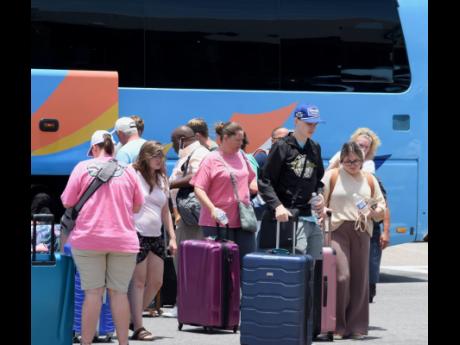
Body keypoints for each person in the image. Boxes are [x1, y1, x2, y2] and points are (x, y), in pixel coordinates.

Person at [60, 130, 144, 345]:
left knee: (93, 294)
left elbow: (68, 201)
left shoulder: (81, 168)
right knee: (118, 294)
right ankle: (123, 343)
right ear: (112, 148)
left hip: (88, 239)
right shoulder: (128, 171)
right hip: (123, 240)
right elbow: (137, 206)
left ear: (95, 148)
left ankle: (86, 343)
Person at [321, 142, 386, 340]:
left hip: (362, 229)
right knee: (342, 276)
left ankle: (357, 326)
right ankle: (338, 325)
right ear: (341, 160)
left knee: (360, 279)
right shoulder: (331, 176)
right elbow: (318, 201)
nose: (352, 164)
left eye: (356, 160)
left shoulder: (370, 179)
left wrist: (374, 211)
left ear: (362, 160)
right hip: (337, 229)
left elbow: (381, 207)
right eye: (347, 161)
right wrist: (323, 211)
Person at [257, 104, 326, 260]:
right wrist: (277, 206)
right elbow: (264, 181)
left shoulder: (315, 147)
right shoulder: (282, 146)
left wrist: (320, 196)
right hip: (288, 217)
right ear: (296, 121)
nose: (313, 127)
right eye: (309, 123)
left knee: (315, 266)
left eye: (315, 124)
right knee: (295, 264)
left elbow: (318, 181)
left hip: (310, 216)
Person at [128, 141, 177, 340]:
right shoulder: (133, 174)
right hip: (136, 232)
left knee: (156, 281)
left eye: (161, 156)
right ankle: (139, 327)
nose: (159, 159)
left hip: (156, 235)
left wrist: (172, 237)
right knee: (138, 282)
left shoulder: (162, 178)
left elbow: (165, 211)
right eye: (155, 156)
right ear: (145, 156)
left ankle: (132, 317)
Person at [191, 121, 258, 267]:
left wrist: (255, 187)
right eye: (237, 140)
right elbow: (199, 188)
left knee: (247, 264)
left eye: (242, 140)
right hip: (217, 222)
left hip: (243, 220)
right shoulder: (211, 159)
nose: (241, 143)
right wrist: (212, 209)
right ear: (225, 138)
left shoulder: (242, 156)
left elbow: (251, 179)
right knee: (221, 268)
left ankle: (241, 291)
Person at [162, 125, 210, 318]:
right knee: (182, 261)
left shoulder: (199, 153)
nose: (173, 146)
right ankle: (186, 304)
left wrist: (169, 184)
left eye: (174, 142)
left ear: (182, 139)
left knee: (184, 262)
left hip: (193, 219)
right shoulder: (188, 153)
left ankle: (183, 305)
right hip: (185, 216)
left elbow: (197, 177)